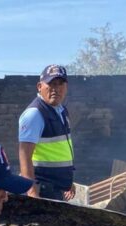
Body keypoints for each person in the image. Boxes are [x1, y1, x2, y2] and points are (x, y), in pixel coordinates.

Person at [18, 64, 75, 201]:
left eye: (60, 84)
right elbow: (24, 155)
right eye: (51, 84)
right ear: (39, 86)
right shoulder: (35, 114)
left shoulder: (61, 111)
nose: (56, 89)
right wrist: (32, 192)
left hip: (56, 188)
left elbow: (61, 150)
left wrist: (68, 181)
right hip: (43, 189)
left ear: (66, 87)